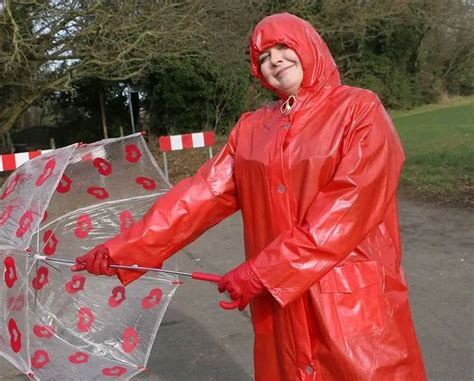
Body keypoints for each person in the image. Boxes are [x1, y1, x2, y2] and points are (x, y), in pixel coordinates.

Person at [72, 12, 426, 381]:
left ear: (310, 46)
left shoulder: (358, 109)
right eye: (262, 57)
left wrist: (264, 272)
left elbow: (347, 208)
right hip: (281, 307)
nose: (274, 60)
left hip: (347, 302)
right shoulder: (252, 128)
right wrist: (123, 251)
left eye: (282, 47)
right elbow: (201, 195)